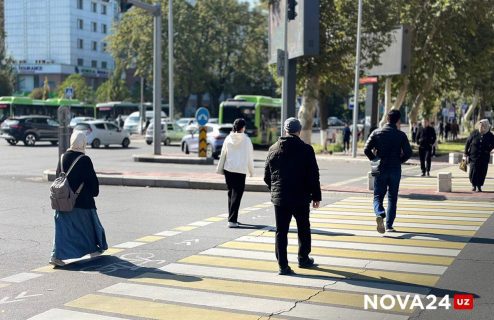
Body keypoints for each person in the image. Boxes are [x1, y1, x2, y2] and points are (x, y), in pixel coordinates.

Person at [264, 117, 321, 275]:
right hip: (301, 197)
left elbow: (266, 177)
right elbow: (313, 176)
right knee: (303, 228)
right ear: (299, 131)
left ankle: (283, 266)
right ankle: (303, 259)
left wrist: (275, 190)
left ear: (285, 130)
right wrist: (316, 196)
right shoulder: (306, 149)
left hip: (280, 198)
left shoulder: (273, 149)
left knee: (281, 231)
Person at [51, 132, 108, 267]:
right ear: (83, 143)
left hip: (63, 202)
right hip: (82, 203)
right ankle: (93, 248)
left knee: (63, 233)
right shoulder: (84, 160)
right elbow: (92, 184)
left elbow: (58, 178)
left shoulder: (62, 157)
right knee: (88, 229)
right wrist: (94, 192)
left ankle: (56, 255)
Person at [364, 110, 412, 233]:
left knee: (377, 196)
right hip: (395, 168)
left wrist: (375, 159)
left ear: (386, 118)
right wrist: (399, 161)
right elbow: (408, 153)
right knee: (392, 197)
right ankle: (389, 225)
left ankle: (380, 213)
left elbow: (366, 149)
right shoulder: (401, 135)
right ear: (398, 120)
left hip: (378, 167)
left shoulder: (376, 132)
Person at [217, 118, 254, 228]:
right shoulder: (246, 140)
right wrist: (251, 171)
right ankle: (232, 220)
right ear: (243, 128)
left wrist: (220, 168)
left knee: (231, 194)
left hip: (228, 169)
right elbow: (249, 157)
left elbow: (223, 153)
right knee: (237, 195)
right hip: (240, 171)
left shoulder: (228, 138)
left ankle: (231, 217)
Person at [464, 119, 494, 192]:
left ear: (486, 126)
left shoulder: (490, 135)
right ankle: (473, 184)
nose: (481, 126)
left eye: (483, 125)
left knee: (482, 171)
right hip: (473, 156)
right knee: (473, 171)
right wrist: (465, 153)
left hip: (484, 157)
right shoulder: (474, 133)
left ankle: (479, 186)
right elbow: (467, 142)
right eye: (480, 125)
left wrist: (488, 149)